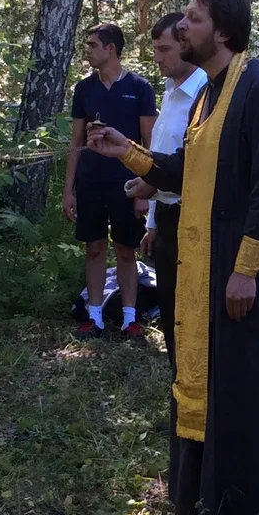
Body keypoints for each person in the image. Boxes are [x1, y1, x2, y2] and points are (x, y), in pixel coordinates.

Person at [86, 0, 259, 515]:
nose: (182, 27)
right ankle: (216, 494)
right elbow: (192, 173)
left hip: (243, 269)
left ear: (223, 29)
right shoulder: (209, 92)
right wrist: (131, 154)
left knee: (250, 378)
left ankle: (258, 505)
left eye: (192, 18)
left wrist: (245, 271)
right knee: (216, 376)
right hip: (203, 261)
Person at [64, 23, 157, 340]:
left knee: (126, 249)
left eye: (92, 45)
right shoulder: (84, 89)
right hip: (90, 182)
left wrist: (146, 188)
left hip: (128, 184)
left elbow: (149, 141)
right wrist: (68, 191)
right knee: (94, 247)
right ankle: (94, 316)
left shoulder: (140, 88)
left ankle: (131, 318)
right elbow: (75, 142)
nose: (87, 50)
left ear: (110, 50)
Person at [132, 12, 208, 363]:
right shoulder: (170, 92)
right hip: (166, 217)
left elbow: (199, 164)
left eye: (165, 49)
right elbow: (161, 158)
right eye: (155, 49)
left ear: (186, 45)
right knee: (171, 309)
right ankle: (181, 390)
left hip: (194, 221)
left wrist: (149, 184)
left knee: (193, 313)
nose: (158, 57)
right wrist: (151, 221)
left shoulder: (206, 94)